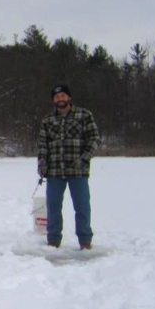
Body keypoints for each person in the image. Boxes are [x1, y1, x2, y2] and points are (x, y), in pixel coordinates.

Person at [37, 84, 100, 250]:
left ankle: (85, 241)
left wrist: (84, 158)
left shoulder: (84, 115)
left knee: (82, 207)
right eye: (57, 97)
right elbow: (43, 144)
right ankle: (53, 239)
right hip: (55, 171)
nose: (60, 99)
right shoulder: (48, 120)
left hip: (78, 170)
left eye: (63, 96)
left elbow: (94, 139)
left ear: (69, 98)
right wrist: (42, 162)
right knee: (53, 207)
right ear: (53, 100)